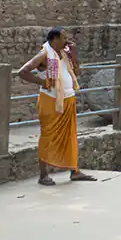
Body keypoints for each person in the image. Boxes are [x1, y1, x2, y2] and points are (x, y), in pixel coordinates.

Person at [18, 29, 97, 186]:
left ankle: (74, 171)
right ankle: (43, 175)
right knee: (48, 135)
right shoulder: (44, 54)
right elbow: (23, 72)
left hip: (68, 99)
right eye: (63, 38)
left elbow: (77, 72)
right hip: (51, 100)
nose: (66, 41)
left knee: (70, 135)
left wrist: (73, 52)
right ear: (54, 40)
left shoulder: (65, 54)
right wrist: (43, 82)